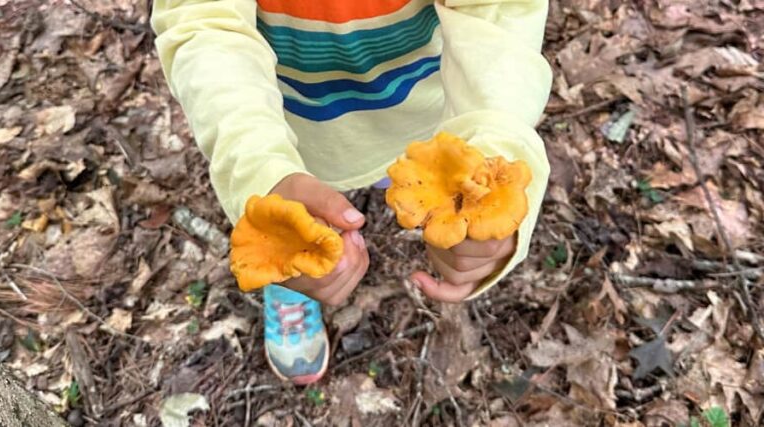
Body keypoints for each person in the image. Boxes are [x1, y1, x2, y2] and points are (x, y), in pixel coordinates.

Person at [151, 0, 552, 385]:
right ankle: (289, 274)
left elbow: (499, 11)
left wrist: (493, 154)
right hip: (293, 135)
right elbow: (206, 21)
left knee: (398, 184)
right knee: (295, 230)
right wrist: (259, 172)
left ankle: (366, 208)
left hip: (421, 126)